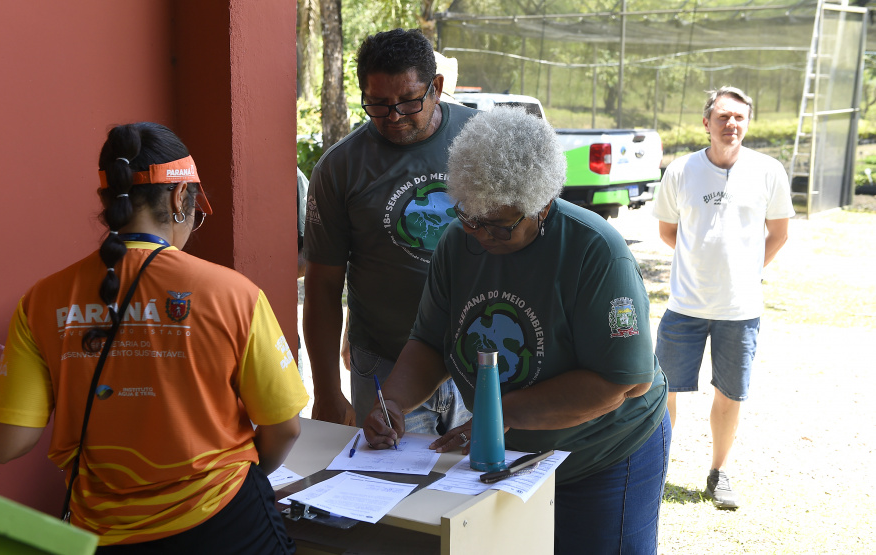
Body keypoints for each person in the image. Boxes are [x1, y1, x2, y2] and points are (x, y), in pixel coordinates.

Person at [0, 122, 309, 553]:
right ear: (180, 197)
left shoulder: (42, 300)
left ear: (107, 200)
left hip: (104, 532)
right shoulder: (234, 294)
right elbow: (283, 428)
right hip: (225, 522)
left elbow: (7, 443)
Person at [363, 106, 671, 554]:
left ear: (542, 206)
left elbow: (621, 382)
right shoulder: (457, 242)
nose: (482, 235)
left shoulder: (595, 250)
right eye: (471, 218)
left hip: (601, 453)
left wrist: (497, 417)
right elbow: (430, 341)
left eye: (501, 226)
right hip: (507, 458)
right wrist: (392, 401)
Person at [303, 28, 474, 433]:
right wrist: (327, 392)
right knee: (389, 491)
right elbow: (323, 286)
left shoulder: (482, 140)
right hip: (385, 362)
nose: (394, 117)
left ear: (436, 87)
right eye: (378, 104)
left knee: (479, 490)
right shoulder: (339, 168)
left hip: (479, 360)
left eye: (409, 101)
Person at [652, 86, 794, 509]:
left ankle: (719, 473)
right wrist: (701, 263)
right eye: (723, 117)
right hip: (684, 305)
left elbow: (780, 233)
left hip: (741, 309)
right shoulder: (680, 171)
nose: (731, 125)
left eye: (739, 117)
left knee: (730, 395)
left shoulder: (768, 171)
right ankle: (656, 469)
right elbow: (667, 232)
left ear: (748, 122)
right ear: (706, 123)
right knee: (663, 392)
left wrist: (745, 272)